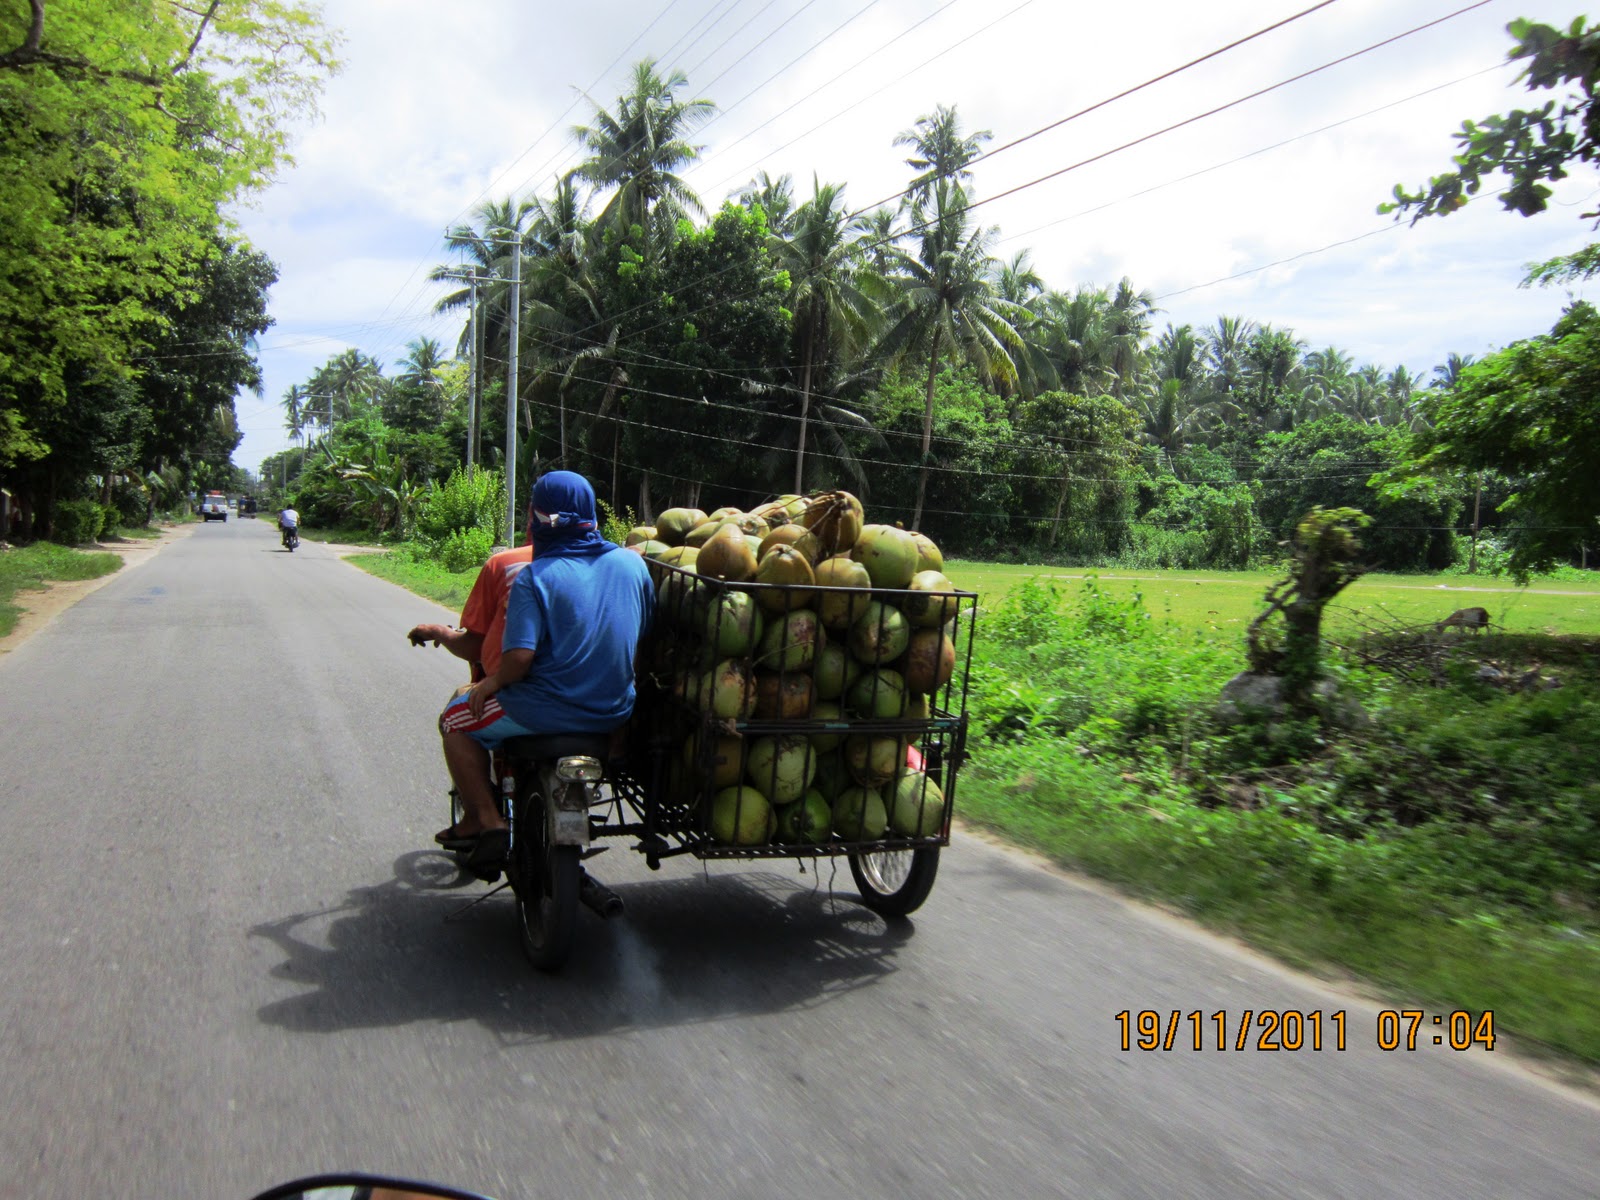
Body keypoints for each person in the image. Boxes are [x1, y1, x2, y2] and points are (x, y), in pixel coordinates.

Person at [434, 471, 653, 866]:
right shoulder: (633, 566)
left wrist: (489, 685)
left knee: (453, 720)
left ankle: (484, 819)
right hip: (613, 711)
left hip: (540, 709)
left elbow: (518, 659)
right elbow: (639, 637)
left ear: (538, 516)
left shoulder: (534, 578)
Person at [407, 511, 535, 686]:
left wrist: (440, 632)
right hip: (581, 695)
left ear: (532, 519)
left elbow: (475, 648)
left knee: (455, 710)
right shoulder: (584, 564)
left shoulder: (505, 564)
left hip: (520, 691)